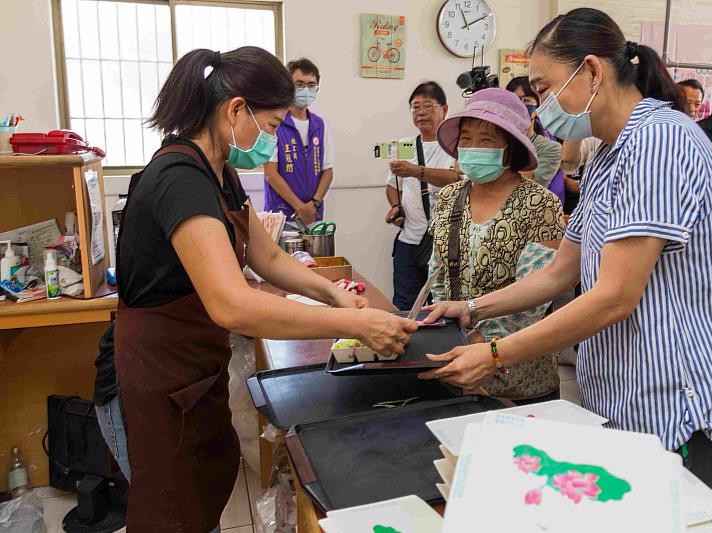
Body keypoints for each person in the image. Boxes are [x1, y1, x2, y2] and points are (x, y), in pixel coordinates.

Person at [421, 8, 712, 528]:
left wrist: (495, 354)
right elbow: (561, 271)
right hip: (630, 398)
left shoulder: (659, 142)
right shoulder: (607, 155)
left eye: (543, 88)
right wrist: (469, 307)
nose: (541, 107)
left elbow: (614, 295)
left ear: (591, 71)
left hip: (685, 405)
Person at [102, 47, 415, 533]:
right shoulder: (180, 179)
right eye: (270, 126)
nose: (271, 138)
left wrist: (330, 291)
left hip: (195, 368)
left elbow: (264, 255)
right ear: (235, 111)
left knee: (208, 478)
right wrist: (354, 323)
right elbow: (232, 303)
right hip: (161, 371)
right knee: (171, 506)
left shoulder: (218, 172)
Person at [427, 88, 565, 402]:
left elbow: (537, 292)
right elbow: (437, 275)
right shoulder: (450, 197)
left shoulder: (539, 204)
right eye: (466, 138)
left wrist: (483, 343)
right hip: (455, 363)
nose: (474, 148)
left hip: (520, 372)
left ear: (510, 148)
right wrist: (449, 335)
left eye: (487, 140)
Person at [385, 81, 460, 310]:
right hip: (409, 240)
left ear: (444, 109)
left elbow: (455, 178)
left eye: (428, 106)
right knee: (405, 306)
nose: (421, 112)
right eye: (415, 107)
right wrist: (397, 206)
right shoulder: (405, 145)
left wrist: (415, 171)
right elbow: (392, 185)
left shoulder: (456, 144)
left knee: (442, 305)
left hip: (445, 243)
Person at [264, 58, 332, 226]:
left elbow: (328, 171)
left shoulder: (319, 125)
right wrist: (300, 207)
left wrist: (313, 204)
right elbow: (270, 174)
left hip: (313, 216)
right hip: (282, 217)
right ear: (288, 86)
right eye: (300, 84)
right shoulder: (275, 122)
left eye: (311, 85)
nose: (306, 90)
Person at [506, 76, 566, 204]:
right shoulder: (499, 141)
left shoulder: (551, 148)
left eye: (526, 100)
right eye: (514, 100)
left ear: (538, 107)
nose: (520, 106)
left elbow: (530, 180)